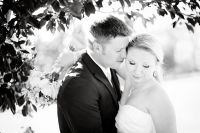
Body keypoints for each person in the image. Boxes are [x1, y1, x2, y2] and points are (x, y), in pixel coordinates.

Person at [57, 13, 132, 133]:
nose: (124, 55)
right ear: (97, 48)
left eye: (125, 49)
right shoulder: (79, 86)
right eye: (118, 50)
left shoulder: (108, 62)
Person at [115, 34, 177, 133]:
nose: (137, 71)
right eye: (132, 63)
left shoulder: (157, 95)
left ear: (156, 65)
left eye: (146, 66)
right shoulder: (131, 82)